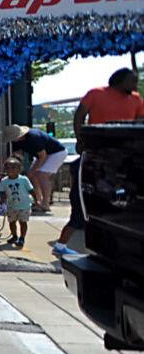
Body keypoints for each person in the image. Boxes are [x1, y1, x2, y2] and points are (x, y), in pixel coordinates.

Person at [53, 68, 144, 253]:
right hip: (97, 153)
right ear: (120, 80)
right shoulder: (96, 94)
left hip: (123, 157)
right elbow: (79, 114)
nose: (135, 85)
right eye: (132, 81)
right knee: (84, 199)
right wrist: (80, 138)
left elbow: (139, 122)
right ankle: (63, 242)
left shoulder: (135, 99)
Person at [5, 123, 66, 211]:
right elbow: (18, 155)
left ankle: (45, 204)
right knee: (32, 176)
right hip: (41, 156)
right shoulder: (18, 141)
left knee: (42, 175)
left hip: (56, 153)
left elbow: (43, 156)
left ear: (18, 136)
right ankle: (38, 201)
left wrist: (34, 170)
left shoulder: (34, 138)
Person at [0, 158, 34, 248]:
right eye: (8, 168)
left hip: (24, 205)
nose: (10, 170)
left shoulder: (24, 179)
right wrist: (3, 202)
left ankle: (22, 238)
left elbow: (31, 190)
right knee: (12, 222)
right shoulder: (4, 181)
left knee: (23, 222)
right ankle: (14, 235)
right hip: (11, 206)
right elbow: (2, 192)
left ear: (19, 169)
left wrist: (37, 199)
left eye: (13, 167)